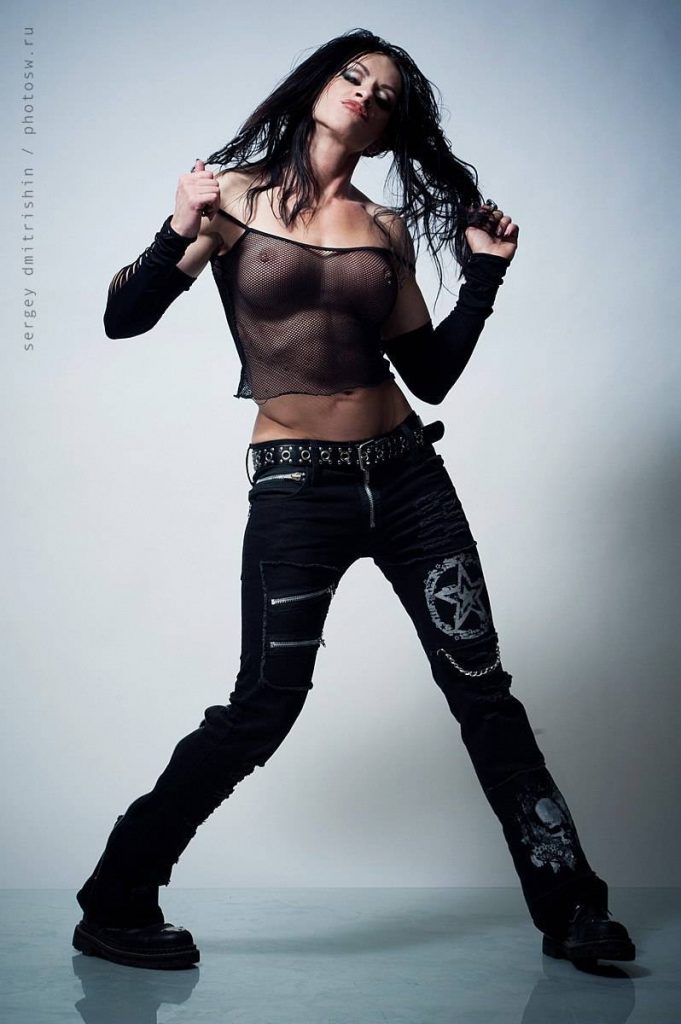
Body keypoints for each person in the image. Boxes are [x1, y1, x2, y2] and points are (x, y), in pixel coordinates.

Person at [73, 28, 635, 972]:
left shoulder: (383, 228)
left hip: (409, 479)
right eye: (353, 76)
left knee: (482, 691)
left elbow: (429, 373)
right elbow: (120, 318)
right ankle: (117, 896)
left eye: (385, 96)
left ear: (388, 130)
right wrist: (175, 228)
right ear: (316, 86)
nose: (365, 97)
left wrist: (485, 274)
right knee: (264, 703)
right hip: (298, 488)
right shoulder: (230, 199)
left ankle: (573, 907)